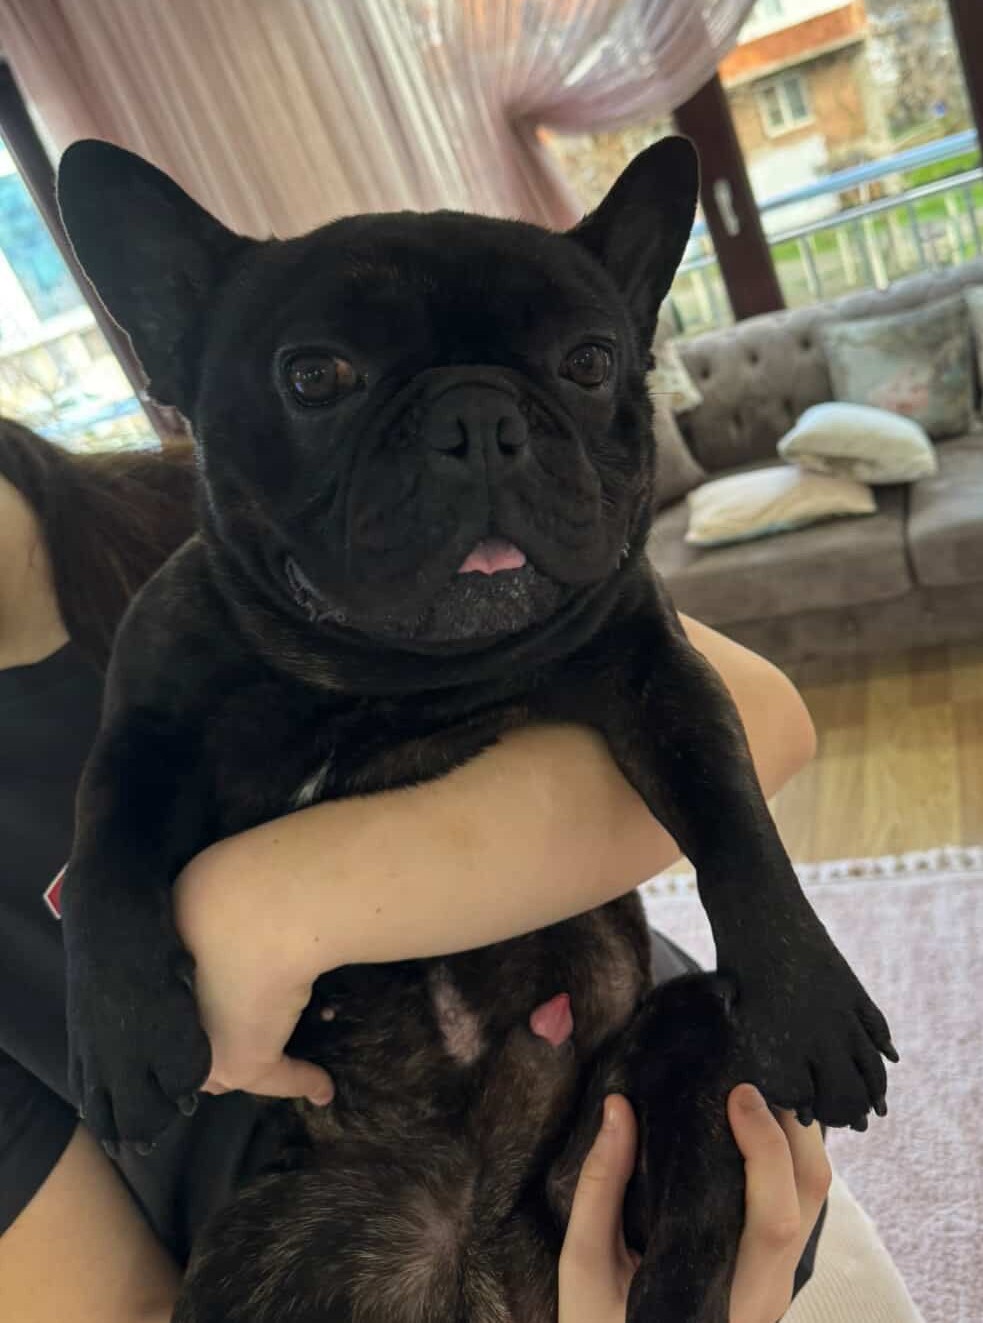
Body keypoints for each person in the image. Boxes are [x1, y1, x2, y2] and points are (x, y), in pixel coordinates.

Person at [0, 415, 831, 1322]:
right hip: (371, 1267)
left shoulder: (243, 493)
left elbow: (753, 715)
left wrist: (277, 902)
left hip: (670, 1131)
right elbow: (118, 1304)